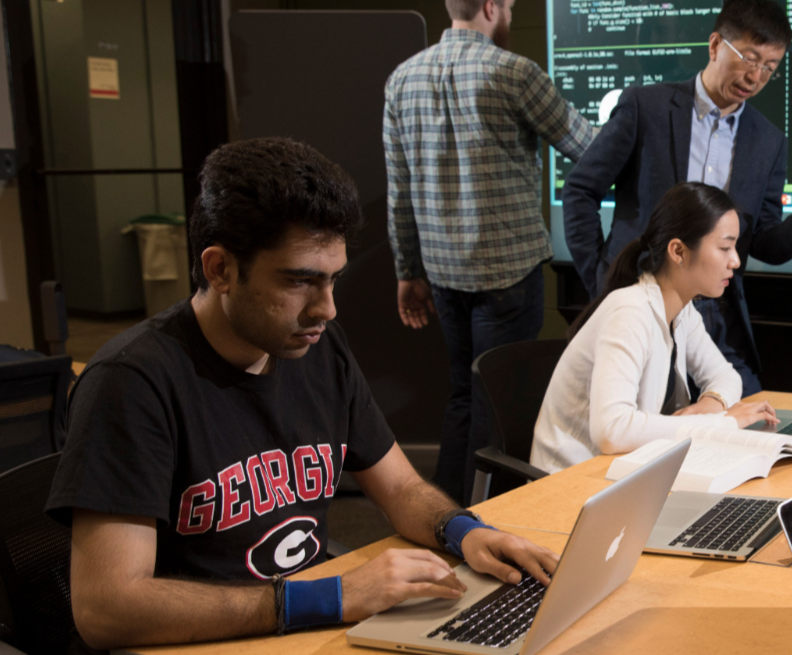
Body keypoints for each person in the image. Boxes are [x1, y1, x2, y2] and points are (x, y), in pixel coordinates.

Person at [49, 139, 559, 650]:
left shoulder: (315, 347)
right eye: (300, 281)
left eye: (333, 280)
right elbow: (106, 607)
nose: (326, 309)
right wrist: (326, 597)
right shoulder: (131, 382)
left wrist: (464, 532)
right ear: (220, 269)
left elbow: (401, 490)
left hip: (304, 630)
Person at [384, 0, 598, 503]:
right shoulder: (515, 72)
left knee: (462, 392)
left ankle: (444, 513)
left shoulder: (400, 80)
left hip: (441, 274)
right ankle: (484, 522)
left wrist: (408, 272)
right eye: (510, 7)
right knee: (499, 400)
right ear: (489, 6)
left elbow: (399, 188)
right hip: (507, 274)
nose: (510, 16)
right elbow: (587, 148)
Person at [561, 0, 792, 397]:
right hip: (647, 296)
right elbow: (580, 190)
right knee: (652, 426)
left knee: (750, 413)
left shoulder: (768, 141)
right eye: (750, 59)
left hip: (717, 312)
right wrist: (603, 280)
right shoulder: (644, 108)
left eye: (770, 68)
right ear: (716, 44)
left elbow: (761, 240)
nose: (756, 77)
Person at [533, 182, 781, 473]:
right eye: (725, 247)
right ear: (678, 251)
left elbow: (726, 377)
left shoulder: (682, 310)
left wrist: (710, 404)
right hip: (570, 483)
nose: (735, 260)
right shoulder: (630, 311)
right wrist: (722, 422)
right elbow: (612, 431)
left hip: (623, 473)